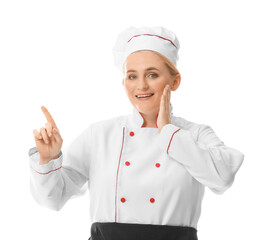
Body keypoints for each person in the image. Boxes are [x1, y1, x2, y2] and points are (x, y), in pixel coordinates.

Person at [28, 26, 245, 240]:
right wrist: (48, 159)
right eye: (132, 77)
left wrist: (168, 132)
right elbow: (53, 200)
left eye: (152, 74)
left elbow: (223, 177)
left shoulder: (195, 134)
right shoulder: (100, 135)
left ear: (175, 81)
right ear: (124, 83)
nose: (141, 85)